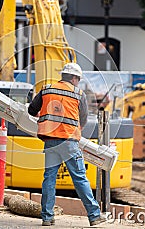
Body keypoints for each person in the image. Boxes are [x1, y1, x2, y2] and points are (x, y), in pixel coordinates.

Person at [28, 63, 107, 226]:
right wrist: (76, 131)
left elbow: (31, 110)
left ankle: (47, 217)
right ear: (74, 78)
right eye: (78, 79)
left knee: (49, 178)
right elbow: (83, 118)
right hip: (69, 141)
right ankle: (94, 215)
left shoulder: (47, 89)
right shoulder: (79, 93)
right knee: (79, 178)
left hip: (50, 140)